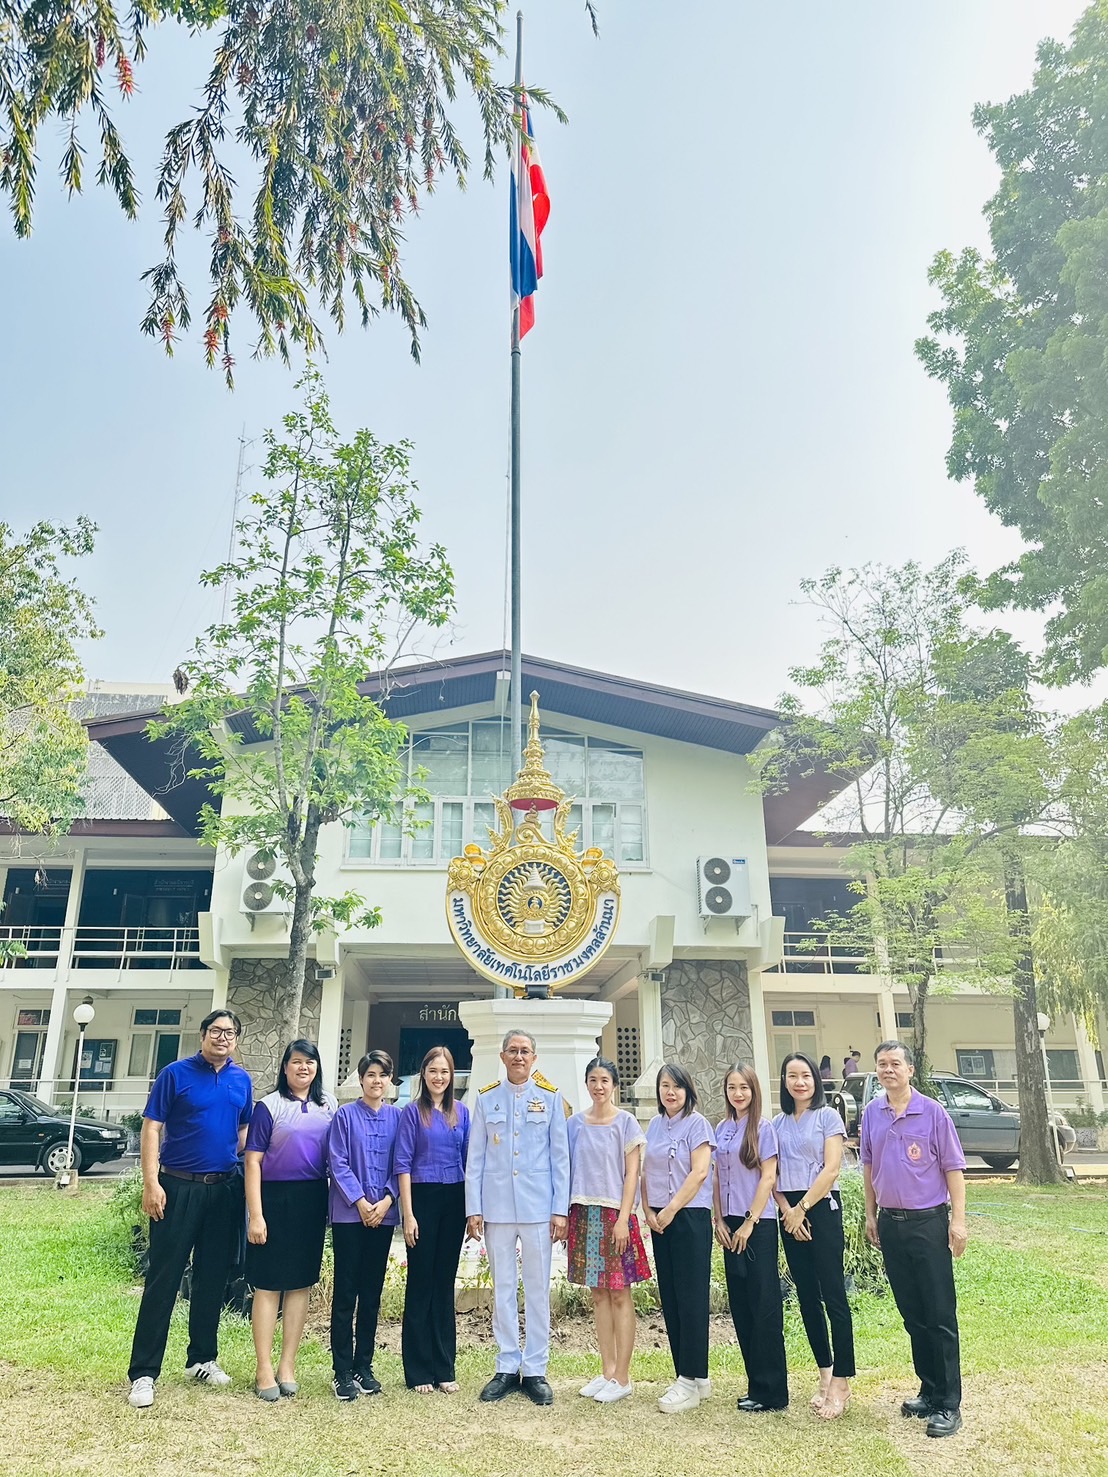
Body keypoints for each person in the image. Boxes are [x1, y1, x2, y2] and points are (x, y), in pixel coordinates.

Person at [126, 1009, 254, 1410]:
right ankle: (144, 1373)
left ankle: (202, 1358)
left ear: (236, 1040)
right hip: (177, 1188)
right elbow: (152, 1126)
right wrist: (152, 1182)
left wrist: (223, 1153)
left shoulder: (241, 1080)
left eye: (229, 1033)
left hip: (222, 1190)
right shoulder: (175, 1074)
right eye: (215, 1031)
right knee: (164, 1279)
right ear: (202, 1035)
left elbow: (245, 1128)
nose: (222, 1038)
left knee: (212, 1278)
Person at [861, 1041, 968, 1439]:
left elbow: (954, 1168)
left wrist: (958, 1221)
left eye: (895, 1064)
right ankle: (928, 1389)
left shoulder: (933, 1113)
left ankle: (948, 1404)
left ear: (910, 1071)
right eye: (882, 1065)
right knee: (912, 1314)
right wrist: (871, 1216)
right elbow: (868, 1165)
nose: (888, 1070)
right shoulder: (872, 1113)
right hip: (891, 1224)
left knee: (939, 1314)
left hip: (928, 1224)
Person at [465, 1029, 570, 1406]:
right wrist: (473, 1208)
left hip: (539, 1208)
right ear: (503, 1056)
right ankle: (508, 1364)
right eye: (513, 1050)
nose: (519, 1056)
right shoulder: (487, 1098)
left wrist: (560, 1210)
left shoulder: (551, 1099)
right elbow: (475, 1159)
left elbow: (561, 1158)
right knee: (503, 1287)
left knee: (538, 1288)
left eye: (526, 1051)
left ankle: (536, 1368)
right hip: (496, 1208)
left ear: (534, 1058)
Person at [244, 1039, 336, 1400]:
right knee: (268, 1284)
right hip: (273, 1198)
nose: (303, 1068)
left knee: (300, 1283)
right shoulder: (269, 1106)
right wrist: (256, 1214)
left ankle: (287, 1365)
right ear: (285, 1068)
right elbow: (253, 1161)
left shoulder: (329, 1105)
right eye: (296, 1062)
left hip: (312, 1199)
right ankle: (263, 1366)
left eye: (310, 1062)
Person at [773, 1051, 856, 1420]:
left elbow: (832, 1168)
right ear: (785, 1082)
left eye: (805, 1075)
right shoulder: (776, 1123)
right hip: (787, 1211)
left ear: (815, 1080)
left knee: (833, 1296)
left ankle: (842, 1379)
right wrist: (786, 1210)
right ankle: (824, 1374)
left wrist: (802, 1209)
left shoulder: (827, 1117)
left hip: (819, 1208)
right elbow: (769, 1173)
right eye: (792, 1076)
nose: (799, 1082)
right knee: (806, 1298)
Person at [566, 1056, 650, 1405]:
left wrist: (622, 1218)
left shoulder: (626, 1123)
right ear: (586, 1084)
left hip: (615, 1214)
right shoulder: (574, 1124)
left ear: (614, 1085)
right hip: (583, 1213)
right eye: (593, 1080)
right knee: (598, 1294)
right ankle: (606, 1371)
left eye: (604, 1080)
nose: (598, 1086)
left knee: (619, 1293)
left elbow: (633, 1174)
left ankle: (624, 1376)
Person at [713, 1063, 788, 1413]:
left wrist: (749, 1221)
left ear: (754, 1091)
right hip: (729, 1224)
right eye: (732, 1087)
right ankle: (756, 1385)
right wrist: (718, 1219)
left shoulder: (763, 1128)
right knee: (742, 1306)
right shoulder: (722, 1128)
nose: (738, 1093)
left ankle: (774, 1391)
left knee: (764, 1306)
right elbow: (715, 1177)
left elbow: (768, 1177)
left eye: (744, 1087)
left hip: (756, 1224)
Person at [396, 1046, 471, 1393]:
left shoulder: (463, 1113)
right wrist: (408, 1215)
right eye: (432, 1071)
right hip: (422, 1200)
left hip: (454, 1200)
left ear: (452, 1075)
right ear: (423, 1075)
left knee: (444, 1284)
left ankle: (444, 1366)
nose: (439, 1077)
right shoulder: (412, 1114)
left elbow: (472, 1163)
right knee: (421, 1284)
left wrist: (473, 1211)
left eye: (444, 1071)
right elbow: (403, 1165)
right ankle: (419, 1370)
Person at [327, 1049, 400, 1401]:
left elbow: (402, 1163)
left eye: (383, 1075)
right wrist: (360, 1202)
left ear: (390, 1081)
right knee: (346, 1293)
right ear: (360, 1079)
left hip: (383, 1215)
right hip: (348, 1215)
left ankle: (363, 1365)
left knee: (371, 1294)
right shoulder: (344, 1116)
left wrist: (386, 1201)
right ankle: (341, 1370)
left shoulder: (398, 1118)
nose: (376, 1081)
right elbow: (337, 1162)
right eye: (370, 1074)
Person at [642, 1062, 715, 1414]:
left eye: (677, 1086)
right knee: (670, 1297)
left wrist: (670, 1210)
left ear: (688, 1090)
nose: (670, 1092)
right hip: (660, 1219)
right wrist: (647, 1210)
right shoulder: (655, 1124)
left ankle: (689, 1377)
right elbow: (645, 1170)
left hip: (688, 1217)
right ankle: (692, 1376)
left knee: (691, 1297)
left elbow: (700, 1172)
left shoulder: (697, 1124)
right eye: (665, 1086)